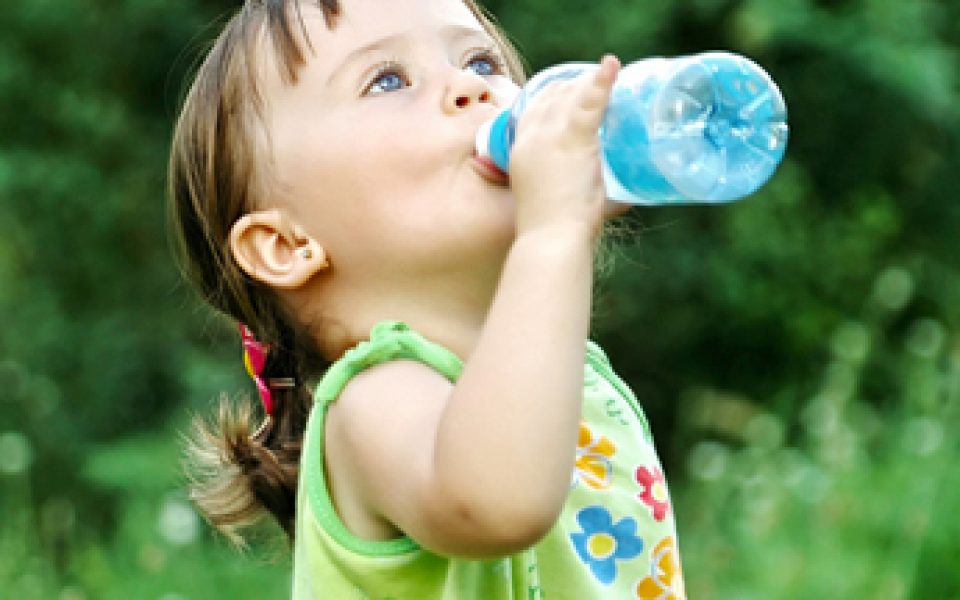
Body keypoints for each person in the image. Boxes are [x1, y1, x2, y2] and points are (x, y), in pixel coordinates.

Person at [169, 0, 685, 597]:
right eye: (387, 80)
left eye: (482, 61)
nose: (469, 85)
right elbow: (499, 502)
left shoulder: (582, 383)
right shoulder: (372, 401)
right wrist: (553, 233)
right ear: (287, 244)